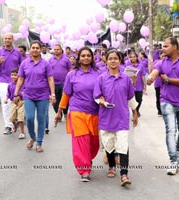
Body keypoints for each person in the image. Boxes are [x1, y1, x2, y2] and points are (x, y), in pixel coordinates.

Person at [147, 37, 179, 175]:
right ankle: (173, 161)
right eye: (163, 46)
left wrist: (168, 80)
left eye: (166, 46)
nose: (163, 48)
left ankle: (178, 149)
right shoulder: (161, 63)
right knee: (170, 131)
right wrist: (150, 79)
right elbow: (154, 73)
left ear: (175, 47)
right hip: (166, 101)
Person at [54, 46, 101, 182]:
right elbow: (66, 94)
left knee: (93, 143)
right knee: (81, 141)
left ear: (92, 58)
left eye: (88, 55)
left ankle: (87, 159)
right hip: (77, 112)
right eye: (83, 56)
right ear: (79, 58)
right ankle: (84, 169)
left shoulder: (98, 74)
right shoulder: (72, 75)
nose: (86, 58)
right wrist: (59, 111)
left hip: (95, 112)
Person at [93, 49, 138, 186]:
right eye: (110, 58)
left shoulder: (126, 79)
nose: (113, 61)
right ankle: (111, 166)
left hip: (122, 117)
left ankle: (124, 175)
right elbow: (96, 96)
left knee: (123, 145)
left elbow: (130, 97)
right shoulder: (101, 79)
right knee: (109, 144)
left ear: (120, 61)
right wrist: (100, 101)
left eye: (115, 58)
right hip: (106, 118)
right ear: (106, 61)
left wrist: (135, 112)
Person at [13, 40, 56, 152]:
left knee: (41, 119)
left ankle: (39, 143)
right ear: (30, 49)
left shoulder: (46, 63)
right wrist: (16, 93)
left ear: (41, 49)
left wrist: (52, 94)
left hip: (43, 96)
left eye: (37, 48)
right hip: (28, 95)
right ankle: (33, 137)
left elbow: (50, 79)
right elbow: (20, 79)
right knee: (30, 118)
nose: (35, 50)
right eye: (33, 47)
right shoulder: (24, 63)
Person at [0, 33, 23, 135]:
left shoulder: (17, 52)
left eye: (9, 38)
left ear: (12, 40)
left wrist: (23, 80)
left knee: (17, 102)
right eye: (5, 38)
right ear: (3, 40)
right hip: (4, 81)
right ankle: (8, 125)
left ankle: (18, 120)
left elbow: (22, 67)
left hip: (16, 82)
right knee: (6, 104)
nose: (7, 40)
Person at [48, 44, 72, 120]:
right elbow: (48, 72)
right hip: (54, 84)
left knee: (64, 99)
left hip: (64, 83)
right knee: (55, 100)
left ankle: (65, 112)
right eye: (55, 49)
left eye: (57, 49)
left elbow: (70, 70)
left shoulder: (66, 59)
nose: (56, 51)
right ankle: (58, 114)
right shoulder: (50, 60)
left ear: (61, 50)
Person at [4, 68, 25, 139]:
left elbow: (24, 93)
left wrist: (21, 95)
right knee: (11, 118)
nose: (13, 76)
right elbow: (8, 93)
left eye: (15, 75)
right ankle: (15, 125)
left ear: (19, 76)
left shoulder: (22, 84)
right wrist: (6, 99)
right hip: (13, 102)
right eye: (12, 75)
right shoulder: (10, 85)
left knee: (20, 118)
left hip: (21, 102)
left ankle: (22, 132)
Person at [125, 51, 146, 118]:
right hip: (131, 86)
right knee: (132, 100)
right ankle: (135, 112)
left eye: (134, 57)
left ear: (137, 57)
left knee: (139, 99)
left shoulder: (141, 66)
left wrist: (145, 86)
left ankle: (137, 110)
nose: (133, 58)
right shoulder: (128, 67)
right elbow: (126, 76)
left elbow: (143, 76)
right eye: (131, 57)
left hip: (139, 86)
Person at [153, 52, 165, 116]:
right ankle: (159, 110)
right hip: (158, 84)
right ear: (159, 56)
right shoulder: (156, 62)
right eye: (162, 56)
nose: (163, 57)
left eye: (164, 56)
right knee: (158, 98)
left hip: (166, 84)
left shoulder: (168, 63)